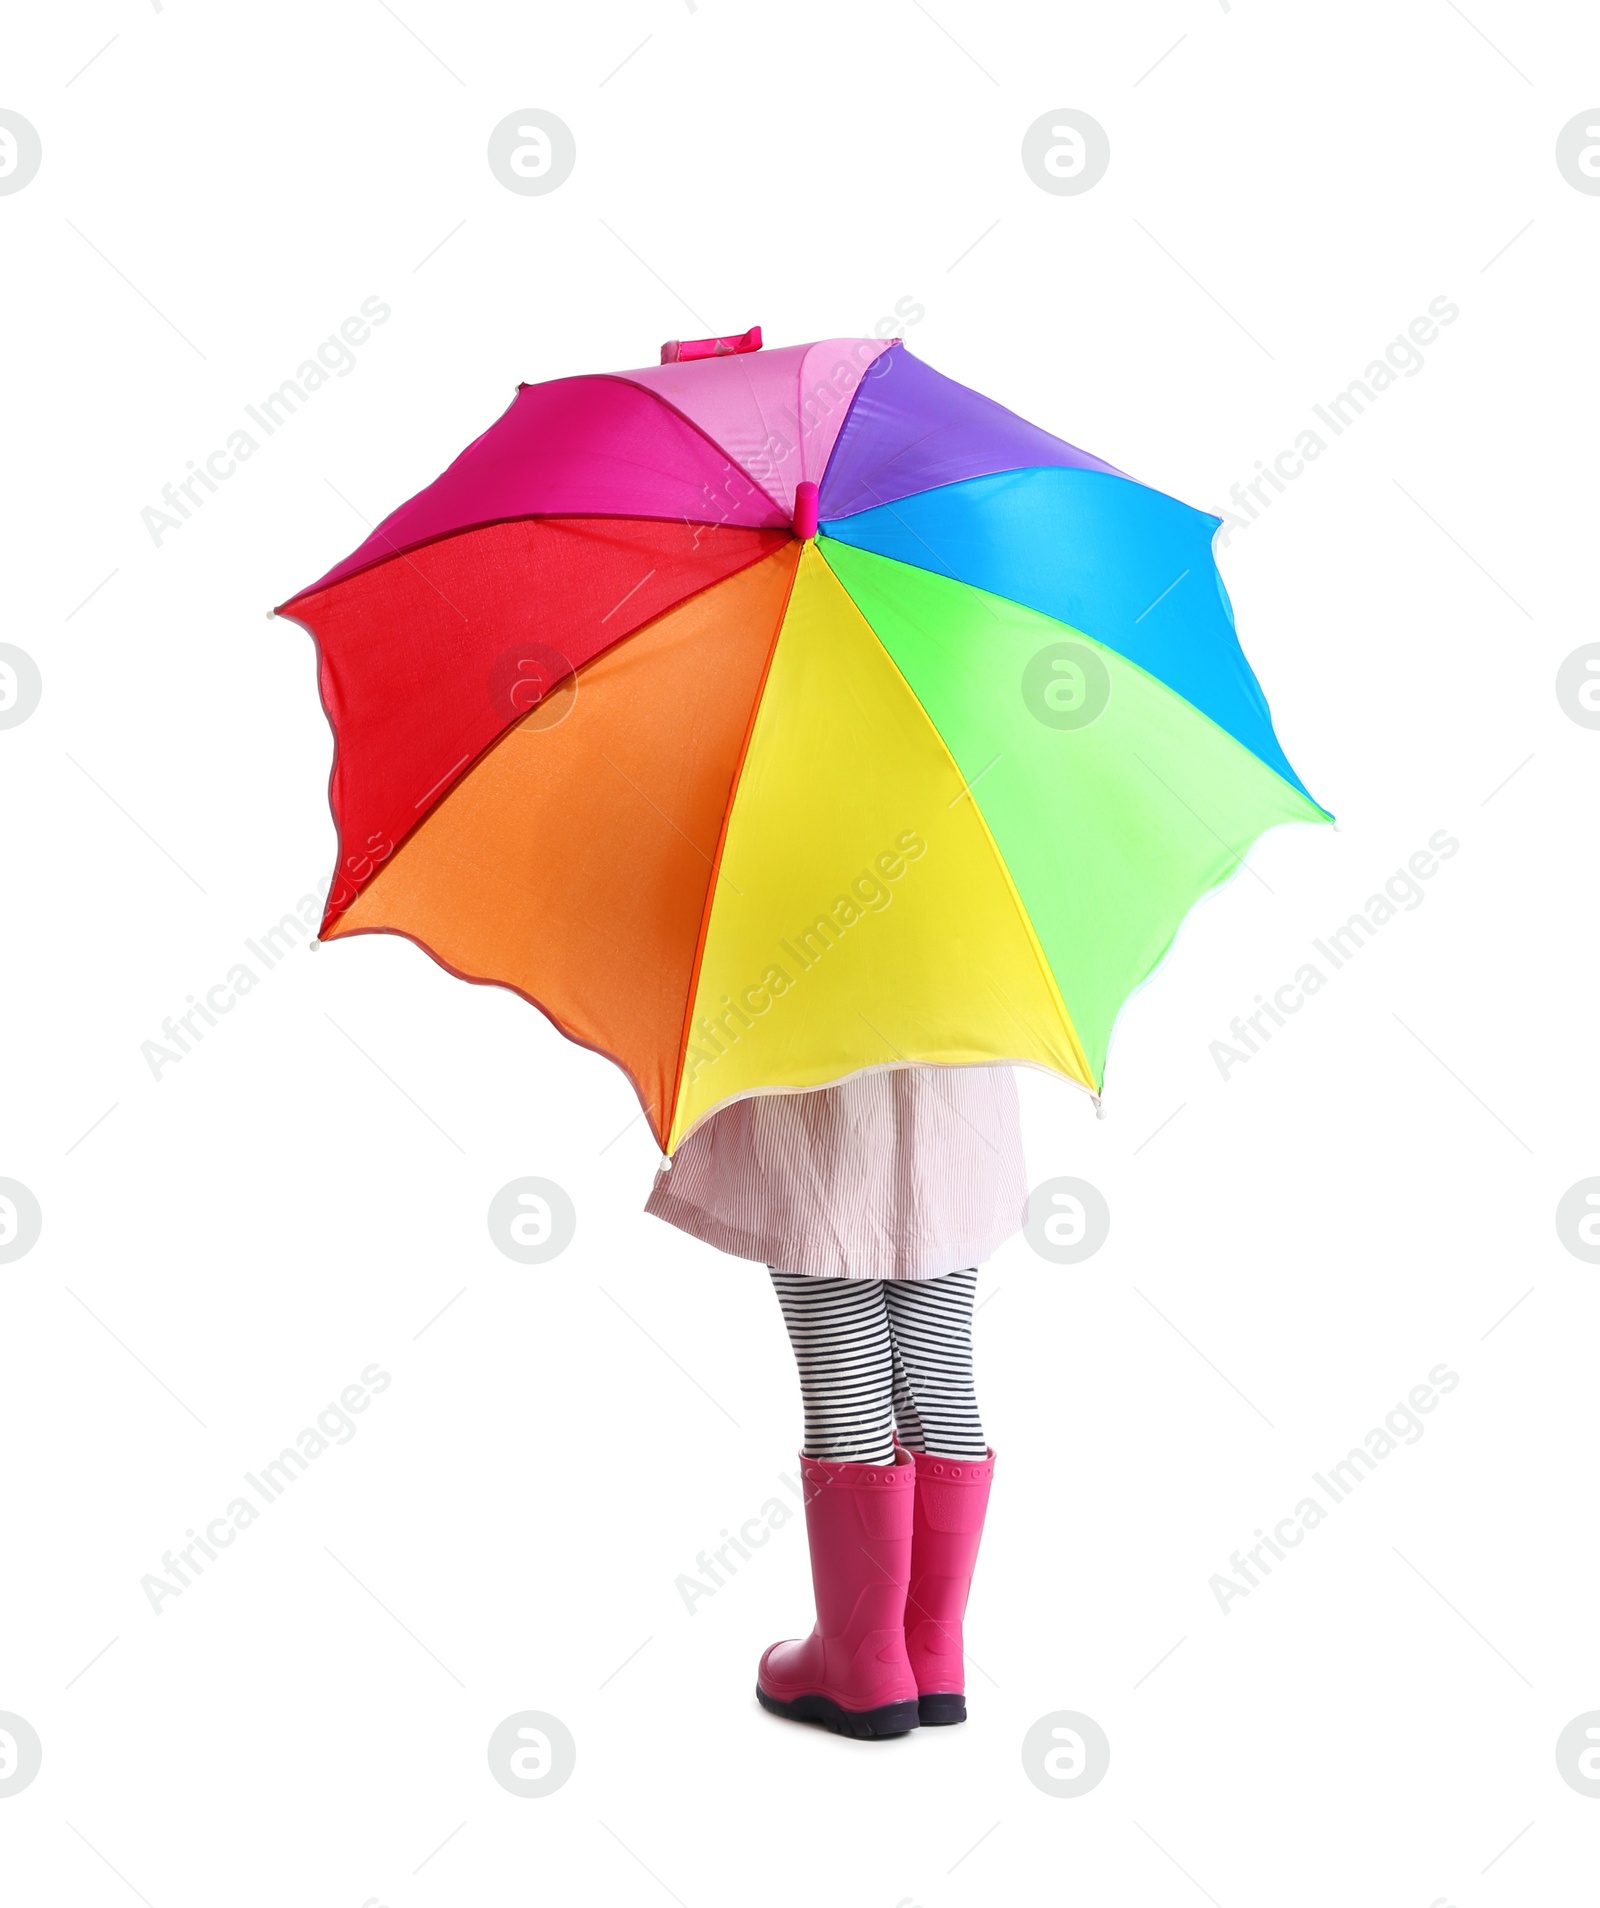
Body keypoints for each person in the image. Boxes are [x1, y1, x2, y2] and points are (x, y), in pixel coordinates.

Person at [646, 1063, 1023, 1738]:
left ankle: (863, 1661)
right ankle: (931, 1654)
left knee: (843, 1366)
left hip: (821, 1078)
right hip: (957, 1077)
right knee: (937, 1369)